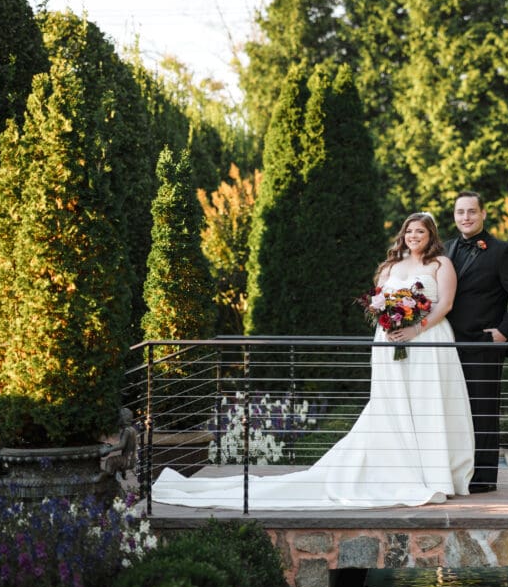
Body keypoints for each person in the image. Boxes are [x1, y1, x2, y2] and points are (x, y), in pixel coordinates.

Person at [153, 212, 474, 509]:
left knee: (429, 403)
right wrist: (391, 323)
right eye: (409, 231)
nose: (413, 236)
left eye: (420, 231)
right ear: (403, 235)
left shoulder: (441, 264)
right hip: (391, 344)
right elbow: (380, 302)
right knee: (395, 405)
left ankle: (435, 474)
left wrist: (415, 327)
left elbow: (444, 304)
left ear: (431, 235)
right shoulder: (390, 267)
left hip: (430, 342)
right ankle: (403, 471)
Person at [446, 191, 508, 493]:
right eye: (460, 212)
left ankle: (482, 480)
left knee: (481, 411)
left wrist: (504, 333)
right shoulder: (444, 251)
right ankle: (453, 475)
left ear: (483, 214)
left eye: (471, 211)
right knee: (450, 411)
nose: (466, 217)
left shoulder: (501, 251)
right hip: (445, 345)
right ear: (454, 216)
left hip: (484, 344)